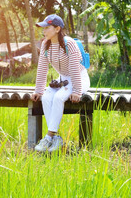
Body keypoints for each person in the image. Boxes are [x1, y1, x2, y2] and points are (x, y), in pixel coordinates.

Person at [31, 14, 90, 152]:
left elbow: (75, 69)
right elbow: (42, 68)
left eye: (47, 28)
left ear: (57, 29)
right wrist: (39, 91)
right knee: (45, 97)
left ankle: (49, 137)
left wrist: (76, 91)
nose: (44, 31)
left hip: (79, 79)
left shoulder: (69, 44)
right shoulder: (46, 44)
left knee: (58, 98)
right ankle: (54, 138)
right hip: (62, 79)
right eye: (43, 28)